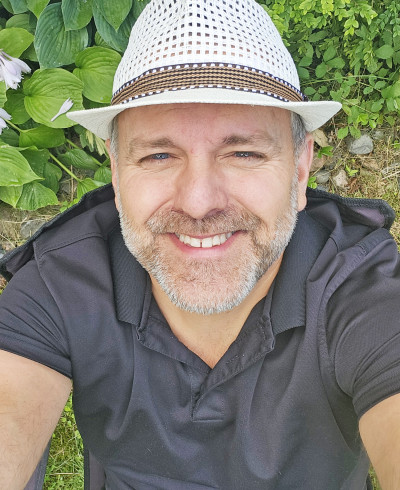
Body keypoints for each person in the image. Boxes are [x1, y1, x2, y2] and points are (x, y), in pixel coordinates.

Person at [1, 0, 400, 488]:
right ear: (117, 175)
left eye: (244, 152)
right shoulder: (62, 282)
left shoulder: (360, 291)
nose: (198, 202)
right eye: (159, 155)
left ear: (300, 171)